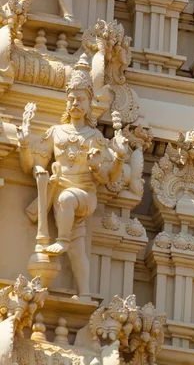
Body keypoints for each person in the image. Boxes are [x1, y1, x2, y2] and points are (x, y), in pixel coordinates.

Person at [16, 56, 128, 300]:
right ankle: (85, 293)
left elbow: (109, 176)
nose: (75, 103)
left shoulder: (95, 138)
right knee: (78, 249)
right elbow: (33, 164)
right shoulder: (56, 133)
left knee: (67, 200)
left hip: (84, 195)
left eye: (81, 99)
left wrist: (117, 158)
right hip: (59, 196)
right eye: (72, 98)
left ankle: (63, 239)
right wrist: (25, 144)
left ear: (89, 104)